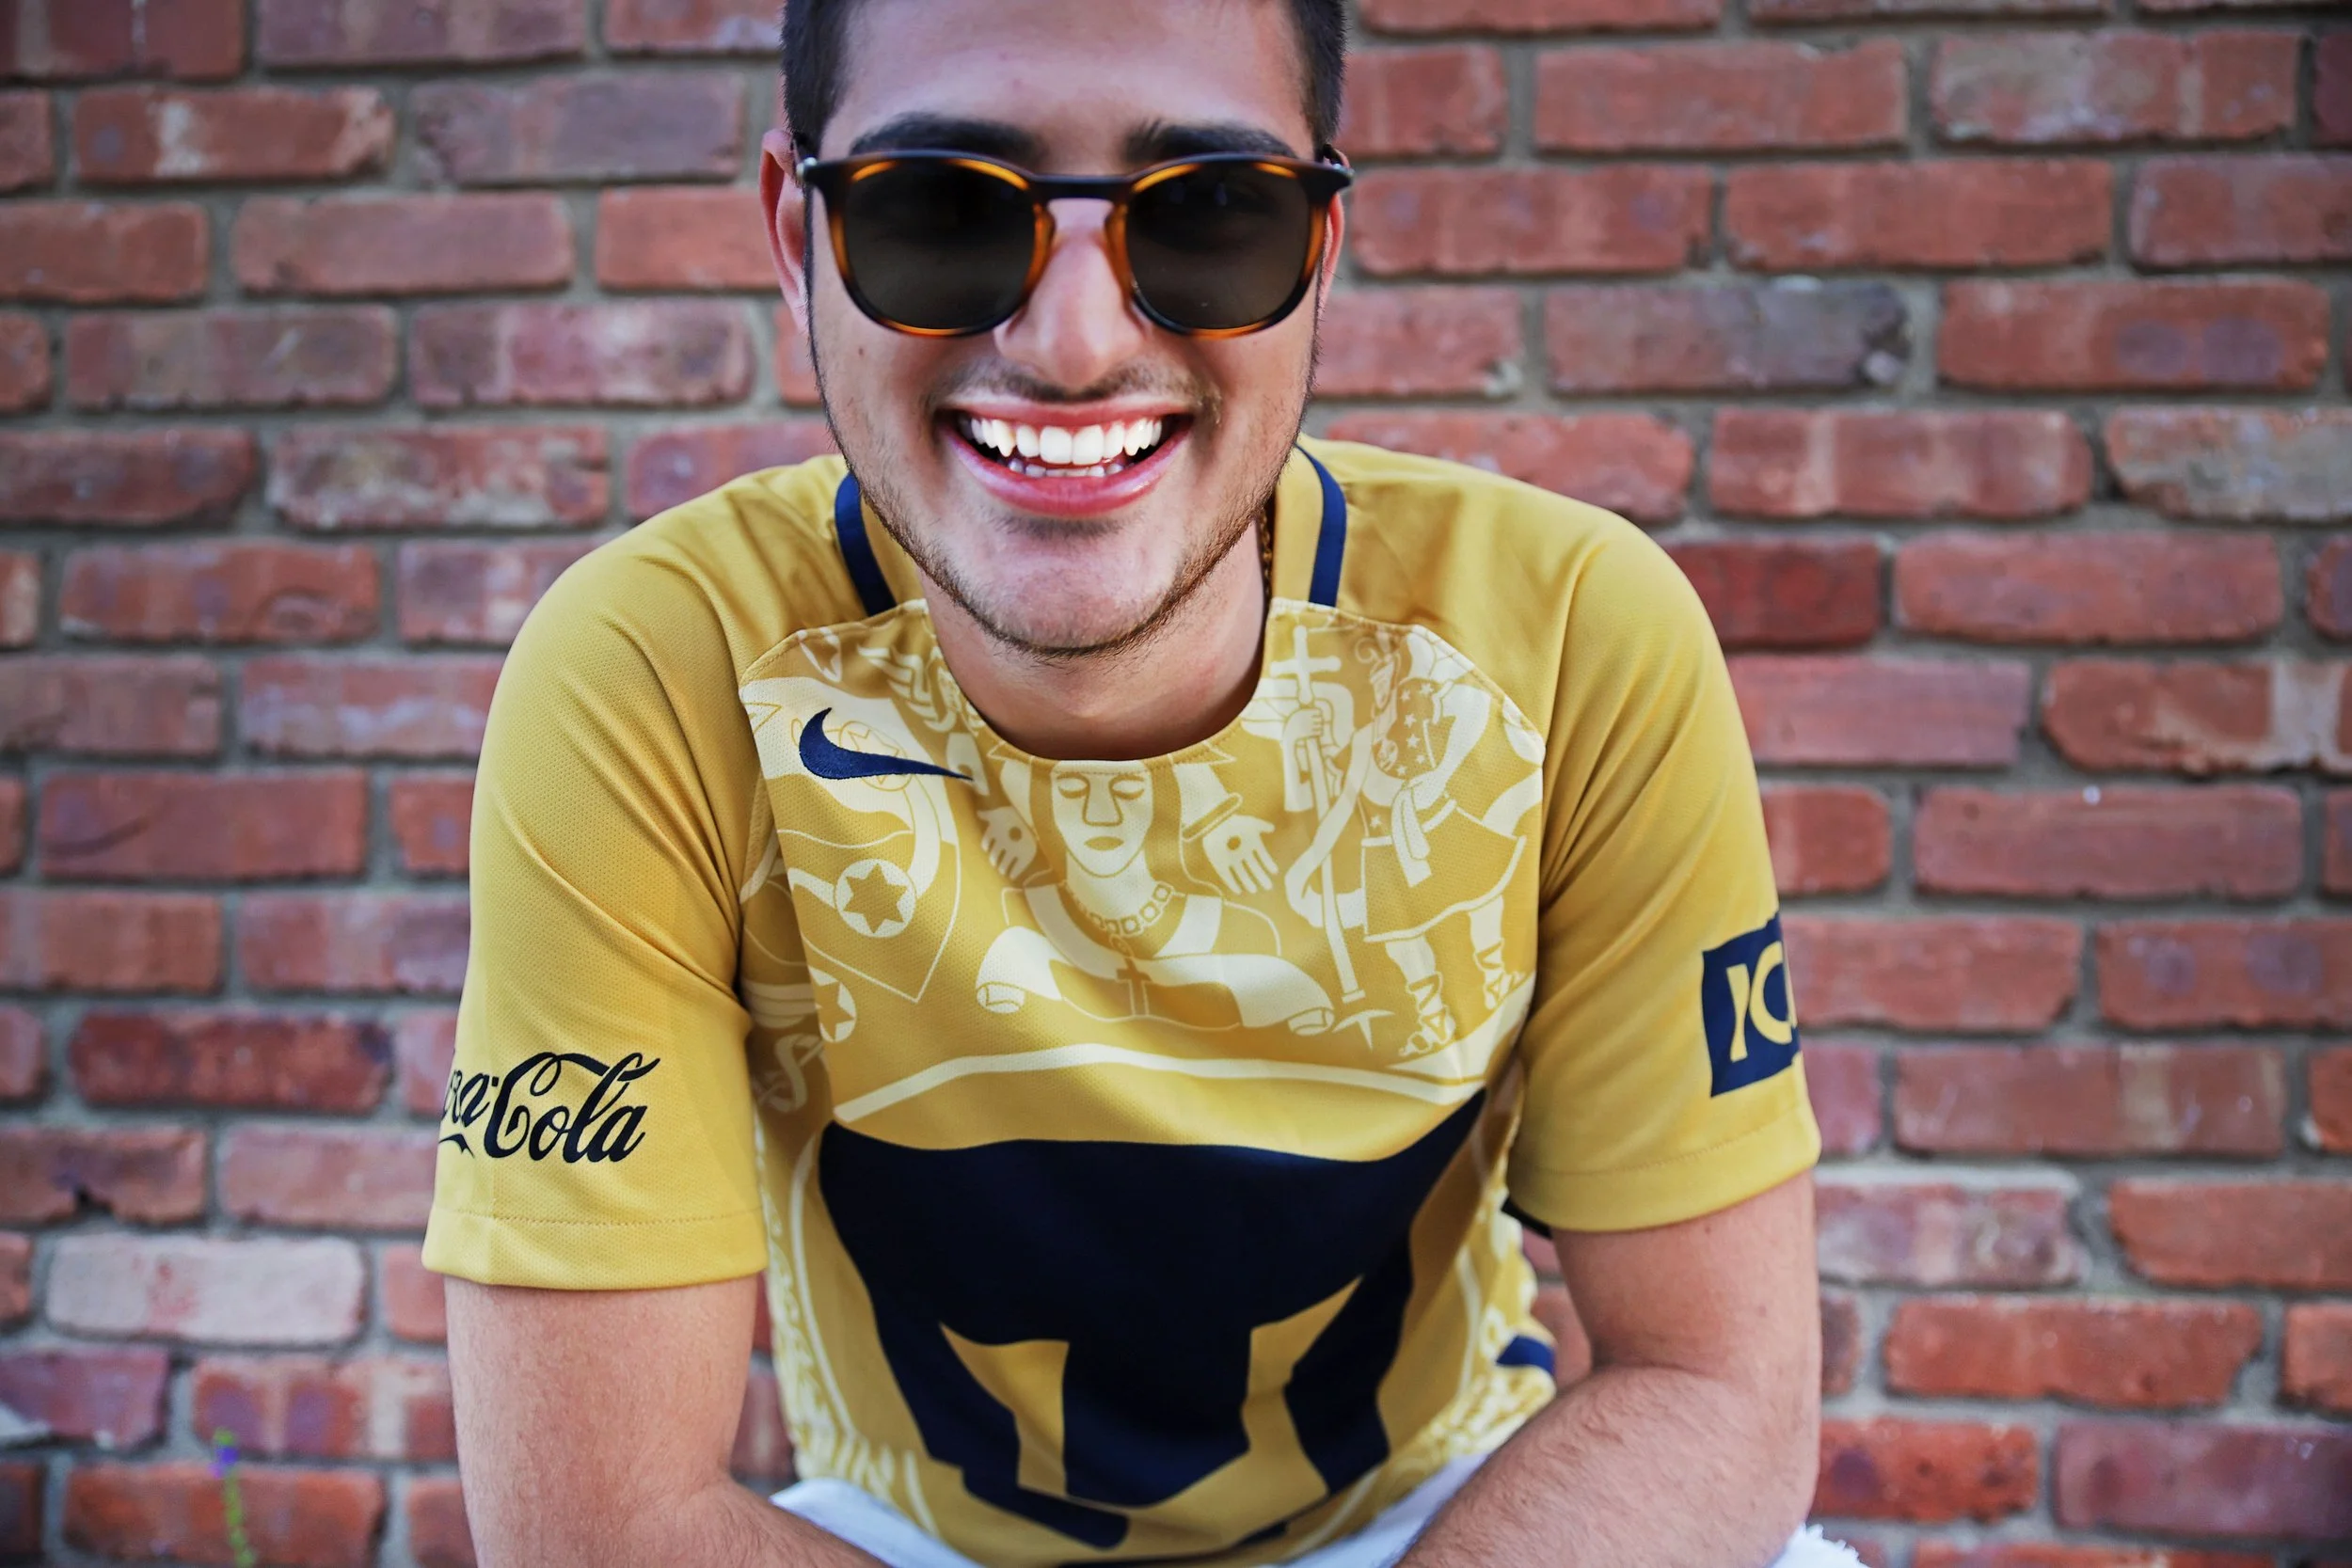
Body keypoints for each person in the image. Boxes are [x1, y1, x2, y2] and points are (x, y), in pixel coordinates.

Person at [422, 2, 1851, 1565]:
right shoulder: (657, 675)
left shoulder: (1568, 639)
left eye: (1215, 212)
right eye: (942, 205)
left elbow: (1720, 1384)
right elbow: (599, 1528)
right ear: (796, 232)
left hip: (1435, 1522)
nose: (1076, 341)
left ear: (1320, 241)